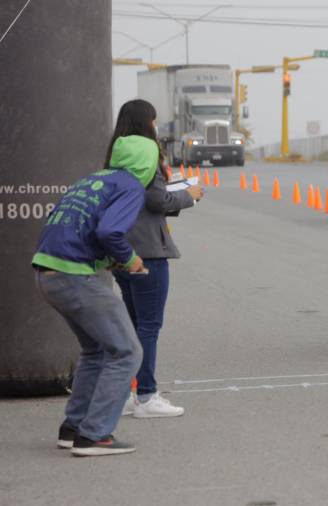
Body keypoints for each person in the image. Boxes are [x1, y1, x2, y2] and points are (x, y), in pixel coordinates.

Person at [32, 131, 159, 456]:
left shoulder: (93, 180)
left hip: (48, 272)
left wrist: (109, 258)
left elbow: (81, 226)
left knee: (96, 351)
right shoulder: (131, 185)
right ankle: (95, 435)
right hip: (74, 276)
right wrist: (130, 260)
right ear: (147, 163)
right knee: (128, 352)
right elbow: (109, 230)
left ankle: (72, 428)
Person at [112, 99, 204, 419]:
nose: (156, 125)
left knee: (133, 325)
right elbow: (156, 199)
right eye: (154, 120)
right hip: (149, 251)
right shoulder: (149, 153)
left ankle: (125, 395)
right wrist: (187, 196)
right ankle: (147, 397)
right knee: (149, 327)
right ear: (146, 123)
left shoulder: (117, 153)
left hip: (121, 248)